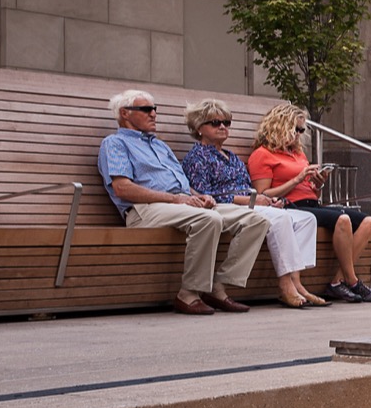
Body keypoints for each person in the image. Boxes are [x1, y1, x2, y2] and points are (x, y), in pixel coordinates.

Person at [98, 88, 271, 315]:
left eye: (155, 109)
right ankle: (189, 294)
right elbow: (123, 188)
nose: (153, 114)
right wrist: (176, 199)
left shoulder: (159, 145)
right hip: (145, 210)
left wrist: (196, 194)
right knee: (208, 219)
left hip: (180, 204)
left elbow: (180, 183)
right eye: (146, 109)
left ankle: (218, 286)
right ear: (125, 113)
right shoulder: (115, 144)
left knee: (255, 219)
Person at [180, 99, 322, 309]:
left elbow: (250, 188)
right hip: (226, 207)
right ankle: (285, 285)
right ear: (199, 128)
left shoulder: (231, 157)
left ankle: (296, 281)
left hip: (249, 204)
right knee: (280, 220)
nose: (222, 127)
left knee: (307, 219)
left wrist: (269, 201)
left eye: (226, 123)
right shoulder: (197, 157)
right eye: (215, 123)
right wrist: (251, 200)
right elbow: (205, 195)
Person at [248, 104, 371, 303]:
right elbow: (263, 194)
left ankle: (337, 281)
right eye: (296, 129)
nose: (299, 134)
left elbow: (308, 187)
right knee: (342, 219)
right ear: (281, 126)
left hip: (312, 203)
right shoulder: (262, 154)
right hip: (291, 206)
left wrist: (318, 184)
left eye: (302, 130)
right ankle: (352, 282)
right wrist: (297, 179)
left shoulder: (297, 154)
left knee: (368, 221)